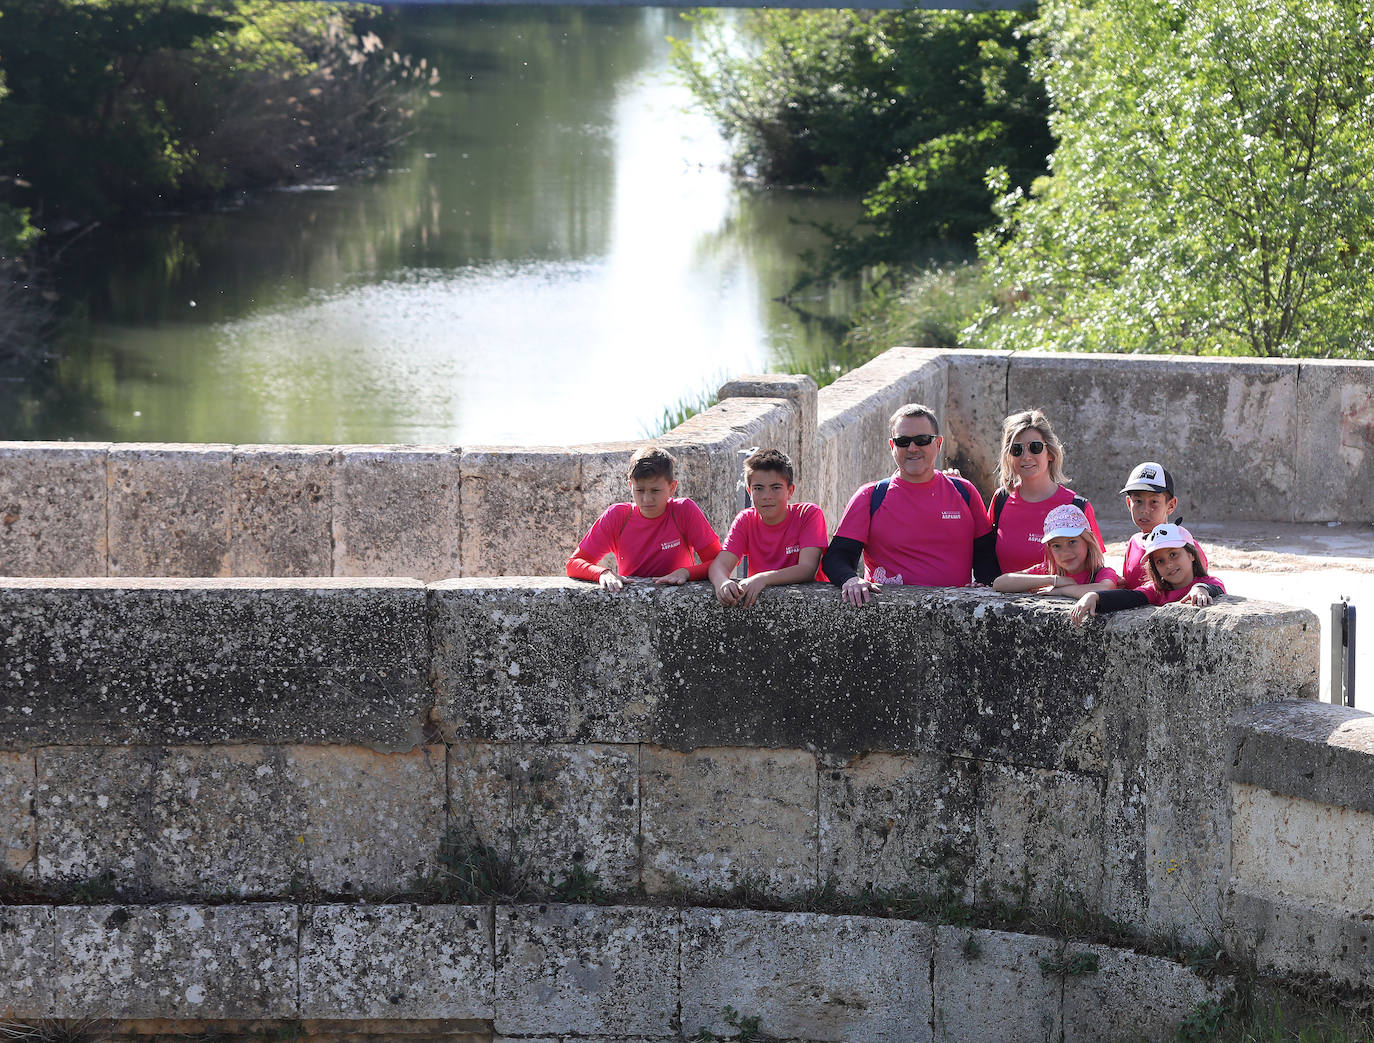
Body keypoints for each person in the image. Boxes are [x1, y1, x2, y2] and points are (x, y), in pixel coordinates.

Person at [822, 403, 998, 605]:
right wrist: (851, 579)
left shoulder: (964, 492)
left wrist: (984, 585)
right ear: (892, 446)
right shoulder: (870, 496)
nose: (912, 448)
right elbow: (836, 557)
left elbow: (987, 559)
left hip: (953, 620)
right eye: (903, 441)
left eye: (922, 440)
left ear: (938, 444)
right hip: (889, 619)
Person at [566, 446, 721, 591]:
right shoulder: (617, 516)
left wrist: (686, 573)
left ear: (672, 488)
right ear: (630, 486)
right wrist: (603, 573)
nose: (647, 499)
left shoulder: (684, 511)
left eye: (655, 490)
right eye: (639, 490)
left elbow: (720, 562)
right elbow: (574, 564)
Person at [988, 409, 1104, 574]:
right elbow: (984, 555)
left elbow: (1097, 569)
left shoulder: (1077, 506)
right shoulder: (1001, 499)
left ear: (1050, 453)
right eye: (1017, 449)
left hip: (1061, 598)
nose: (1026, 456)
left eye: (1034, 447)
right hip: (1004, 598)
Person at [709, 448, 827, 608]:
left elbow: (807, 569)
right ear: (749, 492)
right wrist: (722, 583)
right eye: (758, 488)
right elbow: (720, 565)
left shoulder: (808, 514)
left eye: (776, 487)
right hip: (758, 610)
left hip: (808, 609)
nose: (767, 496)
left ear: (790, 491)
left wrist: (763, 578)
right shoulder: (746, 520)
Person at [1070, 523, 1223, 625]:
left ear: (1191, 555)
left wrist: (1200, 588)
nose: (1168, 564)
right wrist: (1095, 596)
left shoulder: (1205, 583)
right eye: (1160, 561)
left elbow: (1216, 585)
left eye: (1173, 554)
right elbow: (1129, 597)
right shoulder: (1156, 590)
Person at [992, 503, 1121, 597]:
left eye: (1072, 542)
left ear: (1088, 542)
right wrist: (1053, 580)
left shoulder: (1102, 573)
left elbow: (1106, 589)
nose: (1065, 552)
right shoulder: (1048, 570)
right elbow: (1000, 583)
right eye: (1056, 546)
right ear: (1049, 549)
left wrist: (1062, 590)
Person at [1118, 461, 1209, 588]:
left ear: (1171, 505)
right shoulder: (1134, 542)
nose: (1144, 509)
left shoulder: (1184, 544)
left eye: (1154, 501)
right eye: (1138, 501)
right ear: (1129, 503)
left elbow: (1205, 584)